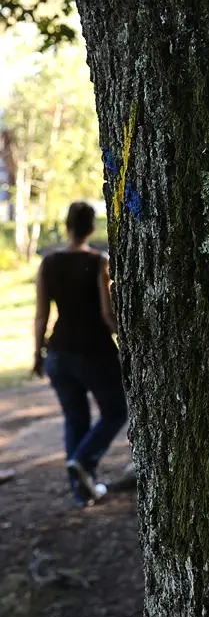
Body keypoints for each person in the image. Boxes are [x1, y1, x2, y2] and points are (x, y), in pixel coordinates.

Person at [32, 201, 128, 507]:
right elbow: (106, 313)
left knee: (75, 419)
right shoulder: (99, 262)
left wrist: (38, 354)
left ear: (67, 226)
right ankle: (85, 462)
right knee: (115, 412)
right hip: (95, 352)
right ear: (91, 228)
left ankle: (81, 492)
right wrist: (126, 337)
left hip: (58, 353)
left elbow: (41, 315)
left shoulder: (48, 264)